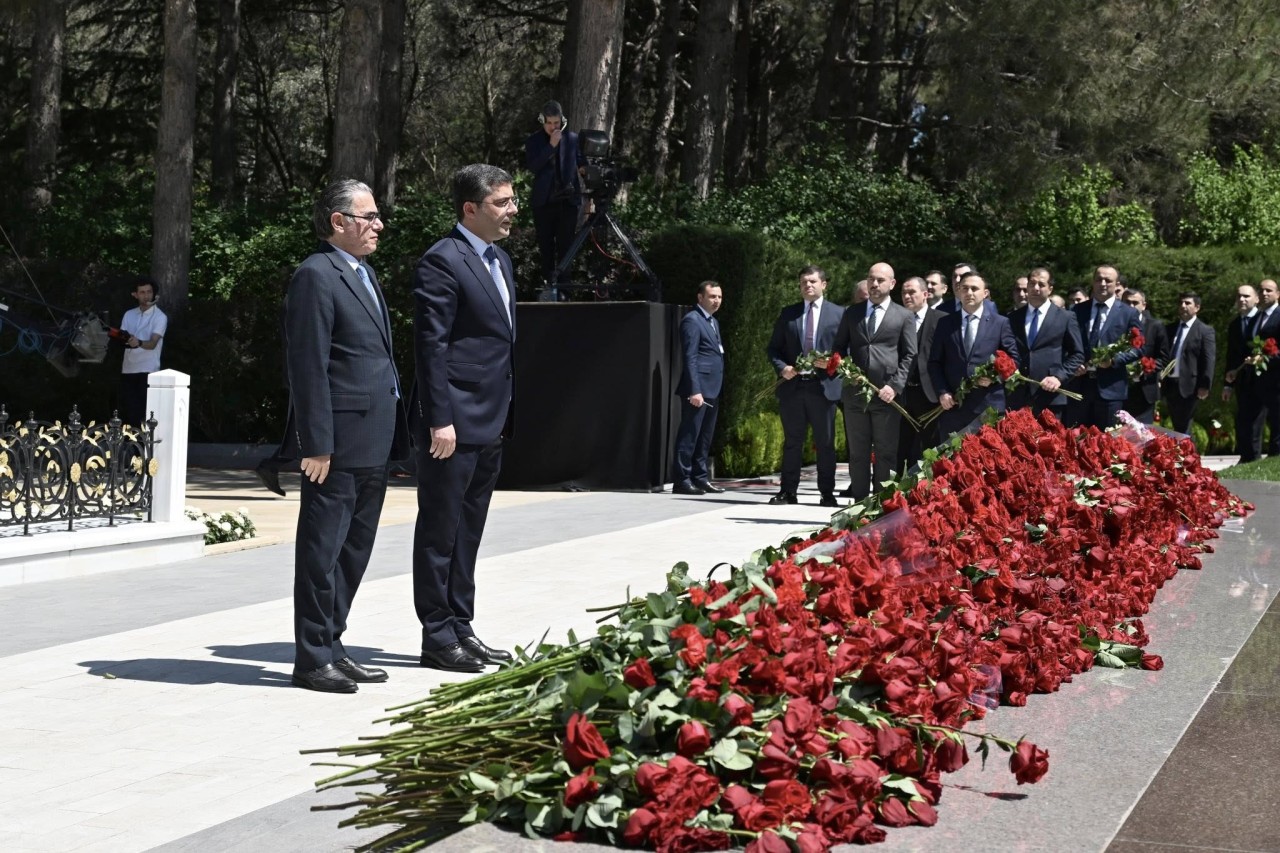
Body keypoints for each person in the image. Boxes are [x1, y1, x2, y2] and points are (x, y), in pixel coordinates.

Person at [285, 179, 408, 694]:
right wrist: (315, 442)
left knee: (353, 550)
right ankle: (312, 658)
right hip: (335, 443)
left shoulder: (363, 272)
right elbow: (308, 364)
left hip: (372, 435)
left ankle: (333, 644)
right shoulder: (317, 274)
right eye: (369, 216)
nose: (379, 225)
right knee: (322, 550)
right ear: (339, 222)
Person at [411, 164, 518, 673]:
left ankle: (461, 625)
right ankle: (436, 634)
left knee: (469, 530)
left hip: (492, 418)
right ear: (470, 209)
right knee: (440, 530)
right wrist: (440, 419)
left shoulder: (500, 259)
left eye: (513, 200)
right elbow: (431, 346)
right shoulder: (442, 260)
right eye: (502, 203)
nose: (512, 210)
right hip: (453, 421)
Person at [832, 262, 916, 501]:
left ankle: (882, 506)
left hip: (886, 396)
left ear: (892, 283)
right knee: (858, 454)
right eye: (871, 279)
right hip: (855, 395)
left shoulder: (904, 316)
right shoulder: (852, 313)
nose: (875, 284)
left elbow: (910, 355)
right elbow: (838, 348)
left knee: (886, 453)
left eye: (880, 280)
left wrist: (895, 386)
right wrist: (844, 368)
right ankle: (858, 505)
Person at [766, 266, 844, 507]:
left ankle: (827, 493)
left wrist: (833, 363)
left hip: (823, 388)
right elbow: (773, 348)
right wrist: (783, 368)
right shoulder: (788, 314)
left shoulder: (839, 314)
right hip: (794, 388)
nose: (808, 286)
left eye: (812, 281)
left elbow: (847, 351)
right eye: (803, 282)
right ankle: (788, 491)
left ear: (824, 285)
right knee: (792, 441)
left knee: (825, 443)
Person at [928, 272, 1019, 439]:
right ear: (958, 292)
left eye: (974, 288)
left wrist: (995, 377)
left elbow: (1014, 360)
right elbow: (935, 362)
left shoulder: (1000, 323)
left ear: (985, 293)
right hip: (954, 406)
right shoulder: (945, 323)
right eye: (965, 288)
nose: (969, 292)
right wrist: (942, 391)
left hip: (988, 406)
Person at [1068, 265, 1142, 429]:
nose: (1102, 283)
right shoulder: (1076, 310)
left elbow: (1139, 347)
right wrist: (1072, 364)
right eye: (1098, 279)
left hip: (1110, 388)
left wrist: (1114, 360)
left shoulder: (1128, 313)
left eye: (1108, 280)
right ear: (1093, 282)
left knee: (1108, 443)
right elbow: (1065, 343)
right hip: (1080, 386)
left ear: (1117, 285)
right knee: (1077, 441)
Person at [1007, 267, 1085, 418]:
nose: (1036, 288)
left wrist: (1059, 377)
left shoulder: (1065, 317)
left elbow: (1077, 354)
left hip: (1049, 395)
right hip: (1017, 395)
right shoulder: (1013, 318)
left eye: (1041, 284)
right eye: (1032, 284)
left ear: (1050, 289)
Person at [673, 281, 725, 495]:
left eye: (719, 297)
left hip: (712, 388)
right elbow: (690, 357)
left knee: (705, 436)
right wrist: (695, 390)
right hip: (698, 390)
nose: (716, 301)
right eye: (712, 296)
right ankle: (682, 479)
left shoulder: (713, 322)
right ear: (700, 298)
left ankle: (700, 477)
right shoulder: (692, 321)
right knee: (690, 434)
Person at [525, 100, 582, 287]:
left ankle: (565, 291)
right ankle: (548, 290)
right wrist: (551, 146)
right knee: (546, 249)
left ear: (562, 121)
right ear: (543, 121)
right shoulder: (534, 141)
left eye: (556, 123)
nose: (552, 127)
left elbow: (582, 166)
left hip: (567, 203)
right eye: (549, 123)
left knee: (566, 249)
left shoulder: (572, 139)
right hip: (544, 203)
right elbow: (534, 167)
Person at [897, 276, 944, 468]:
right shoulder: (896, 319)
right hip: (901, 394)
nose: (907, 296)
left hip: (930, 395)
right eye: (904, 293)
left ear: (925, 294)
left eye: (912, 292)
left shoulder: (941, 319)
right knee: (900, 448)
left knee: (932, 449)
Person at [1161, 292, 1215, 435]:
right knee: (1177, 424)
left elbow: (1209, 359)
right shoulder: (1170, 329)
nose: (1183, 306)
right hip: (1170, 383)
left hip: (1190, 386)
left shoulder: (1204, 331)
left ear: (1197, 307)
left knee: (1184, 425)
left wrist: (1205, 385)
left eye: (1187, 303)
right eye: (1180, 303)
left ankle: (1188, 455)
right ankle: (1183, 455)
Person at [1223, 283, 1266, 462]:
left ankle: (1254, 457)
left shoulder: (1263, 321)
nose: (1242, 299)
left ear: (1256, 299)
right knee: (1243, 420)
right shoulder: (1234, 324)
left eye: (1246, 296)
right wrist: (1228, 384)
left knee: (1257, 422)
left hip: (1263, 379)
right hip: (1242, 380)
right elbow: (1231, 356)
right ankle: (1246, 456)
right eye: (1239, 296)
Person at [118, 278, 168, 428]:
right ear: (135, 294)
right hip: (128, 369)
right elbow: (122, 337)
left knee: (144, 414)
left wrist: (138, 342)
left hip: (148, 370)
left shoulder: (160, 317)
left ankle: (143, 449)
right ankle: (130, 449)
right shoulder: (129, 314)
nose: (146, 296)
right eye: (142, 292)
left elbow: (153, 343)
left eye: (149, 292)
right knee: (128, 413)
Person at [1121, 288, 1168, 425]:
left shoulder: (1155, 326)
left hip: (1145, 389)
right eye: (1127, 302)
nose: (1131, 306)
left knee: (1142, 435)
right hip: (1119, 389)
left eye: (1135, 303)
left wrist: (1144, 367)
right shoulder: (1115, 325)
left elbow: (1163, 358)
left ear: (1144, 305)